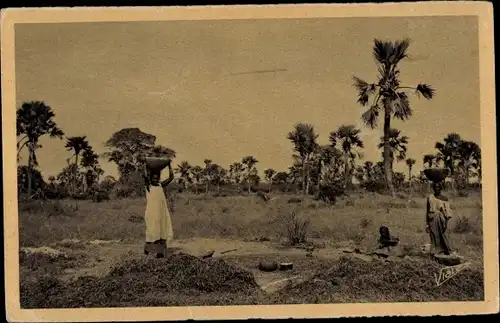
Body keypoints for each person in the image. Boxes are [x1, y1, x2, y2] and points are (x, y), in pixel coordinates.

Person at [143, 161, 175, 258]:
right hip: (152, 212)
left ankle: (160, 252)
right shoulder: (148, 187)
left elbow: (171, 178)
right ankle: (148, 249)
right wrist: (145, 166)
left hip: (161, 212)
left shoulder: (161, 185)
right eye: (153, 178)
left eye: (157, 178)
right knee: (152, 230)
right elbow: (145, 177)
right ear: (151, 179)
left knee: (161, 231)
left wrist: (169, 166)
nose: (155, 180)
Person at [425, 181, 454, 257]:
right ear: (433, 188)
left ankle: (446, 252)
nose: (436, 189)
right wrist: (427, 224)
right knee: (434, 237)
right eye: (435, 187)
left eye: (438, 187)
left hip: (441, 220)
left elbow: (447, 213)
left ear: (441, 188)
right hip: (432, 219)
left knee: (443, 236)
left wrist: (446, 225)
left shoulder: (444, 198)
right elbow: (427, 211)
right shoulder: (430, 198)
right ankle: (436, 253)